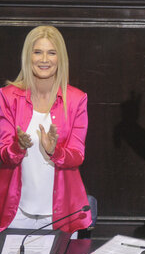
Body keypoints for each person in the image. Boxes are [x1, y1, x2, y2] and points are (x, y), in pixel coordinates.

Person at [0, 26, 91, 233]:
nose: (44, 59)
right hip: (16, 212)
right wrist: (17, 146)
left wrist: (54, 151)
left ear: (60, 58)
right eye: (38, 52)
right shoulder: (7, 96)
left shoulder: (77, 99)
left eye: (51, 53)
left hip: (61, 214)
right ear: (28, 56)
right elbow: (4, 154)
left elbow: (77, 155)